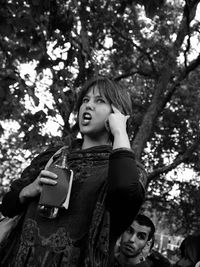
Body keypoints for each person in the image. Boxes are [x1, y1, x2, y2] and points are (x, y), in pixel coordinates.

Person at [0, 76, 146, 267]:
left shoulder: (128, 169)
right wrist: (27, 190)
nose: (88, 105)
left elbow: (125, 190)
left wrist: (120, 131)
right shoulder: (52, 156)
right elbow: (8, 207)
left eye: (100, 101)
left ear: (117, 113)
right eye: (85, 100)